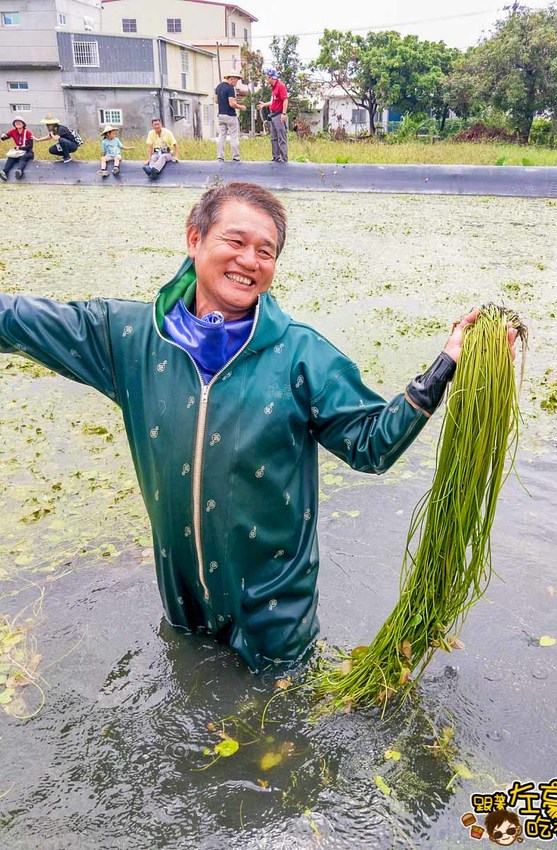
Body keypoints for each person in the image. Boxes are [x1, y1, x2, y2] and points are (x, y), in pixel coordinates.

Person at [0, 182, 517, 672]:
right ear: (194, 237)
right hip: (182, 597)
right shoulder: (131, 338)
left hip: (275, 611)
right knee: (191, 690)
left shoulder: (301, 355)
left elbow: (372, 445)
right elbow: (19, 319)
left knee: (281, 723)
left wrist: (443, 367)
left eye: (265, 251)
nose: (249, 261)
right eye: (236, 241)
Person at [257, 69, 288, 163]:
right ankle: (276, 156)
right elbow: (272, 102)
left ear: (271, 77)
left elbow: (285, 100)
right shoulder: (273, 88)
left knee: (281, 137)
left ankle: (283, 157)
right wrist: (264, 105)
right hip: (273, 114)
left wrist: (284, 113)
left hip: (279, 114)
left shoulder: (280, 86)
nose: (266, 79)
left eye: (267, 77)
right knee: (274, 137)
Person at [215, 71, 246, 162]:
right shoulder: (230, 88)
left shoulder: (219, 87)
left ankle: (220, 156)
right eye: (236, 80)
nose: (236, 83)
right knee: (234, 136)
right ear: (231, 78)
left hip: (221, 115)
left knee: (221, 135)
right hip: (230, 115)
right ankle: (235, 157)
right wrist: (241, 107)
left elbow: (216, 100)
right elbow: (232, 103)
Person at [0, 115, 34, 181]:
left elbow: (30, 146)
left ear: (23, 124)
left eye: (19, 122)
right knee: (11, 157)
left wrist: (20, 148)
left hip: (28, 152)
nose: (17, 124)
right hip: (19, 152)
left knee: (23, 157)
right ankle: (4, 172)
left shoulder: (28, 132)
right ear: (14, 124)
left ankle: (19, 171)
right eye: (16, 122)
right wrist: (3, 136)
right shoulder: (13, 131)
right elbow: (5, 137)